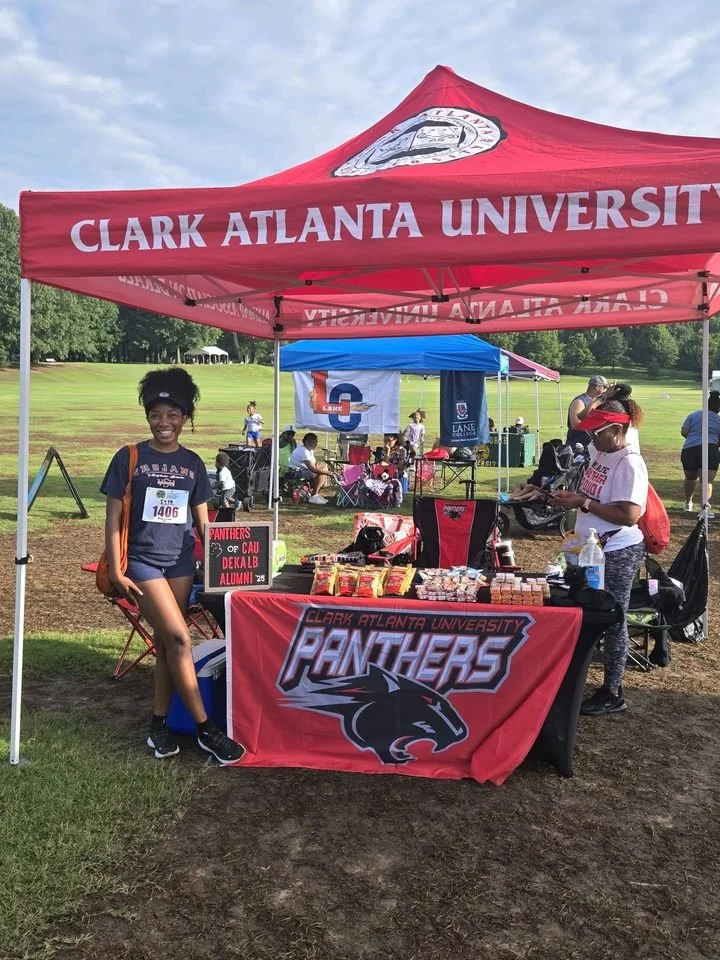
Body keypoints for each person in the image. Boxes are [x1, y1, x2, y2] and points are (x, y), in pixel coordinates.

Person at [100, 368, 245, 764]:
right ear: (148, 417)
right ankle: (205, 729)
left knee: (167, 643)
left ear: (185, 418)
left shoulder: (193, 463)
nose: (163, 422)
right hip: (141, 562)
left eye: (172, 415)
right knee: (181, 639)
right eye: (156, 414)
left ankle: (158, 725)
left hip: (180, 561)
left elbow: (203, 522)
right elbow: (113, 519)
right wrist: (117, 571)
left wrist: (225, 558)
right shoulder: (129, 457)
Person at [552, 385, 648, 717]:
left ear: (618, 430)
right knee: (581, 608)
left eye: (599, 431)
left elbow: (629, 515)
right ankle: (574, 677)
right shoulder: (602, 452)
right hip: (589, 546)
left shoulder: (629, 463)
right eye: (591, 431)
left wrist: (584, 502)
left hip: (617, 550)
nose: (592, 437)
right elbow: (591, 494)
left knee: (613, 617)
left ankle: (613, 691)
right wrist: (571, 499)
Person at [680, 390, 720, 511]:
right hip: (710, 448)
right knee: (706, 481)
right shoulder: (718, 420)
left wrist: (694, 439)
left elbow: (684, 431)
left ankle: (688, 503)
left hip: (690, 448)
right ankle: (704, 508)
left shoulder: (693, 415)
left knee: (690, 478)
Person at [566, 375, 609, 448]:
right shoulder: (579, 401)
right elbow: (576, 425)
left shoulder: (598, 401)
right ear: (597, 387)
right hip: (578, 445)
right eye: (605, 387)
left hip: (593, 445)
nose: (606, 390)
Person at [288, 432, 330, 504]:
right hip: (295, 473)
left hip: (300, 471)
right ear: (308, 441)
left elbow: (314, 465)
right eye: (315, 441)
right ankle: (314, 495)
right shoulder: (304, 451)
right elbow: (312, 468)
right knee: (322, 472)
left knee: (323, 469)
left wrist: (320, 468)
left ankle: (316, 495)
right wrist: (329, 473)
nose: (316, 443)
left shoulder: (309, 450)